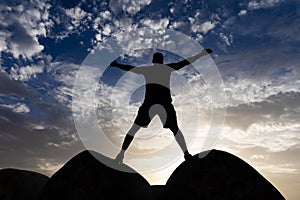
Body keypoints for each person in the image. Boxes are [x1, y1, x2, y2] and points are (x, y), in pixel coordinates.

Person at [110, 48, 213, 163]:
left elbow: (131, 68)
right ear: (160, 61)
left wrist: (117, 65)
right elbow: (185, 62)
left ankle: (121, 154)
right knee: (173, 130)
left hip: (156, 104)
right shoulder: (162, 69)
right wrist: (201, 54)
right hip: (157, 104)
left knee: (139, 129)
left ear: (154, 60)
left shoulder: (150, 70)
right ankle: (186, 154)